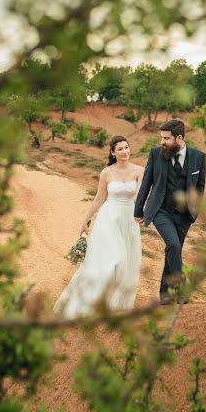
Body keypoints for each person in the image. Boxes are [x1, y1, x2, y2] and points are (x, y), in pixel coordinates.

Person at [54, 135, 143, 319]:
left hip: (129, 221)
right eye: (120, 149)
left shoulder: (139, 170)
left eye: (126, 147)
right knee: (113, 261)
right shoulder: (107, 172)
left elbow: (140, 196)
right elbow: (99, 199)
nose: (125, 151)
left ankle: (115, 305)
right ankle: (90, 303)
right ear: (113, 152)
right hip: (109, 219)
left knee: (127, 265)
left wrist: (139, 212)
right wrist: (85, 221)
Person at [134, 119, 206, 304]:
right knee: (173, 245)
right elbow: (146, 183)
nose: (162, 142)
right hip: (161, 211)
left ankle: (165, 296)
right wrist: (138, 209)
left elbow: (200, 187)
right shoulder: (156, 154)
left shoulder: (198, 157)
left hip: (184, 215)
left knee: (173, 251)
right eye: (161, 137)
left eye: (166, 138)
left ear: (179, 138)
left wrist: (195, 211)